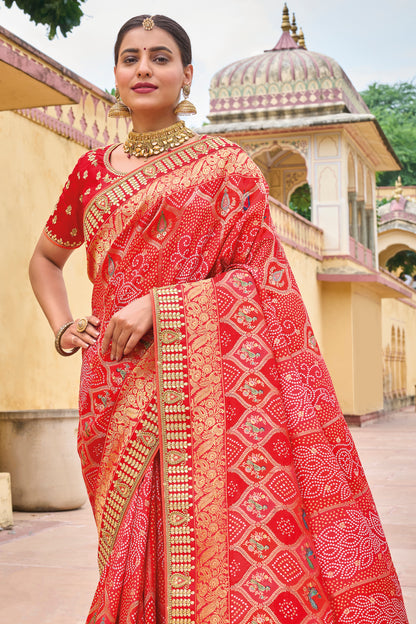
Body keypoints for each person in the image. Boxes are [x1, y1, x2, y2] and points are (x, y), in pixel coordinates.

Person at [29, 14, 409, 624]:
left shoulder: (226, 166)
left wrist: (162, 304)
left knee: (207, 531)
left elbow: (262, 279)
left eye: (160, 57)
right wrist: (64, 325)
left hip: (200, 384)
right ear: (116, 74)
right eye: (131, 58)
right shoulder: (91, 171)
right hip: (112, 382)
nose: (144, 69)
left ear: (186, 75)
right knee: (126, 539)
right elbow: (46, 259)